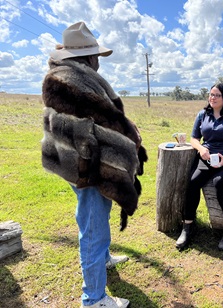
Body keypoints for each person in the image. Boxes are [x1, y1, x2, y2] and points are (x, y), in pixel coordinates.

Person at [41, 21, 147, 308]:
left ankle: (103, 260)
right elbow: (98, 125)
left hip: (83, 163)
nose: (98, 60)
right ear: (86, 56)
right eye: (95, 55)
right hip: (87, 166)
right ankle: (94, 299)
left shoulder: (68, 76)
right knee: (93, 227)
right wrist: (128, 136)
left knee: (94, 216)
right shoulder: (73, 81)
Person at [176, 83, 223, 251]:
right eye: (211, 94)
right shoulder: (203, 114)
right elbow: (194, 138)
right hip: (208, 158)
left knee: (220, 181)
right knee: (193, 182)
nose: (213, 98)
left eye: (217, 95)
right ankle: (188, 226)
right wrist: (202, 149)